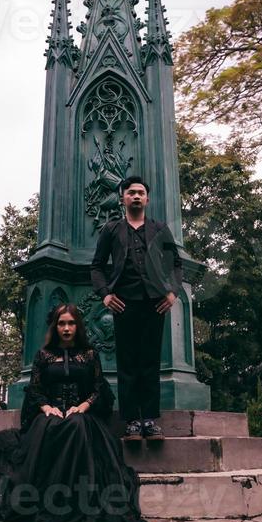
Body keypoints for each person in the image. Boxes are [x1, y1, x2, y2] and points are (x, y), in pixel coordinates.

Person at [0, 303, 144, 522]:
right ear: (55, 327)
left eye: (71, 323)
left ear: (78, 326)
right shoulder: (44, 355)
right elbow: (35, 389)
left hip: (82, 415)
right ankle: (51, 501)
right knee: (53, 426)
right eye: (62, 323)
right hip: (50, 413)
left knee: (76, 425)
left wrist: (83, 406)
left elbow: (98, 389)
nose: (66, 328)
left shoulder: (89, 355)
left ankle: (72, 501)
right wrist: (47, 407)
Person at [91, 175, 182, 441]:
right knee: (128, 362)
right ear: (122, 198)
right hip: (123, 303)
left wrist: (173, 293)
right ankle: (131, 421)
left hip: (155, 303)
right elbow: (96, 266)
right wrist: (105, 294)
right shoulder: (111, 229)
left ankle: (150, 421)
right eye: (131, 192)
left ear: (147, 198)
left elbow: (176, 264)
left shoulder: (159, 228)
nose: (136, 196)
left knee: (150, 361)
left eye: (141, 192)